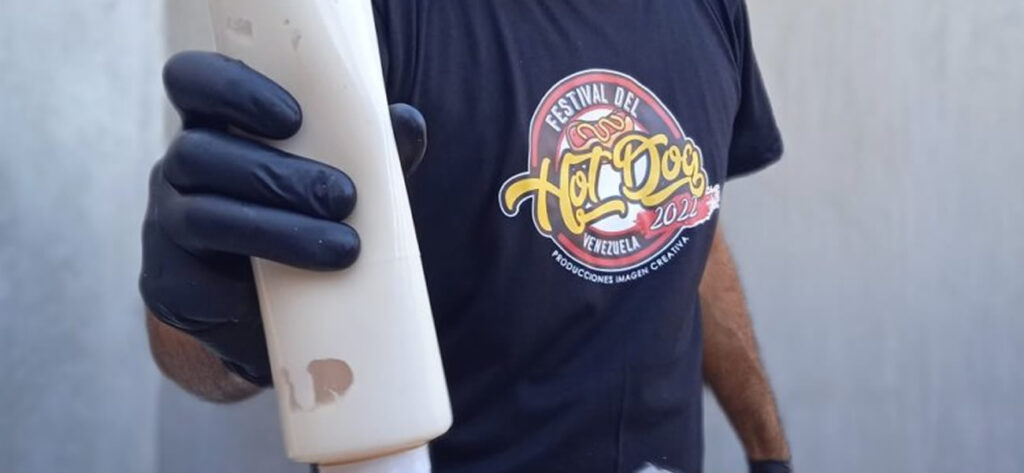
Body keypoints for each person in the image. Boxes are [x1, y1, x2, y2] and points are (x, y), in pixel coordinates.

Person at [140, 1, 791, 472]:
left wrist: (769, 449)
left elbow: (691, 226)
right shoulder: (358, 18)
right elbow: (200, 343)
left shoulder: (708, 9)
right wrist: (213, 318)